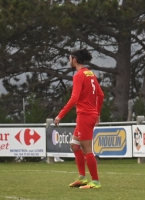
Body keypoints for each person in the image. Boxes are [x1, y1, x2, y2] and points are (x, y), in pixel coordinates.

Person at [54, 48, 104, 189]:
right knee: (75, 145)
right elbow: (101, 95)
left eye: (70, 59)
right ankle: (82, 177)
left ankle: (95, 181)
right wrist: (98, 113)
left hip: (85, 115)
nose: (69, 61)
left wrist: (60, 115)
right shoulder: (90, 74)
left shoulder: (78, 76)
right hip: (89, 114)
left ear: (74, 60)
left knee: (87, 149)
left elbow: (74, 98)